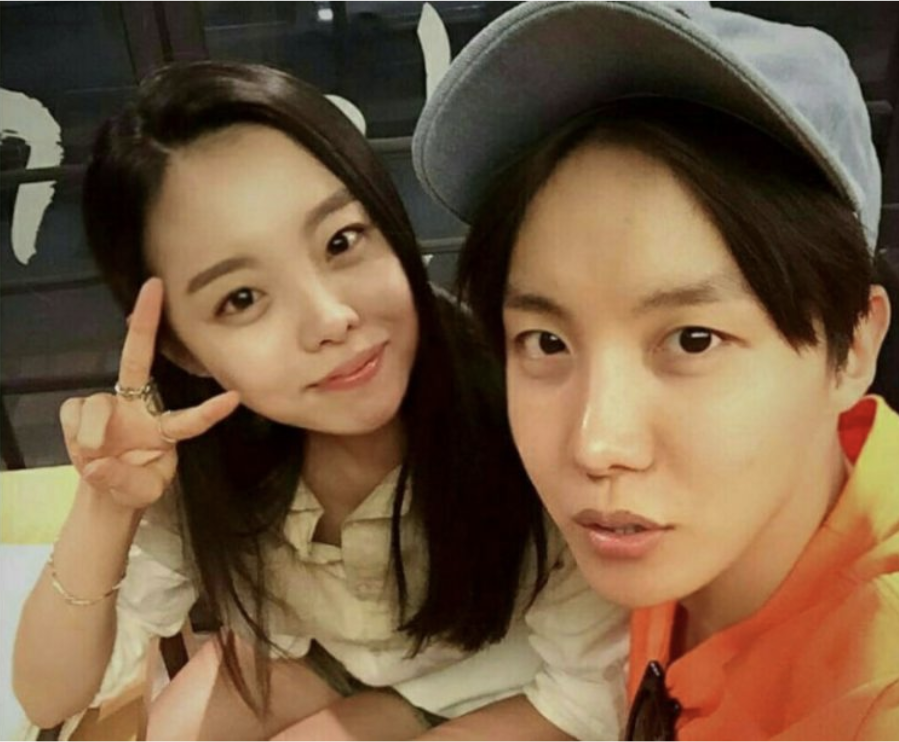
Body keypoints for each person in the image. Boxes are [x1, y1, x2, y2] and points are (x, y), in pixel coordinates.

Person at [13, 61, 627, 741]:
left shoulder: (524, 403)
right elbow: (50, 696)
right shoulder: (198, 444)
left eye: (341, 241)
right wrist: (107, 506)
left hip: (509, 675)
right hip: (331, 657)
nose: (331, 318)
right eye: (242, 298)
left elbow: (592, 698)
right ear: (185, 351)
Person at [412, 2, 899, 738]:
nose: (597, 445)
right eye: (547, 342)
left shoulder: (889, 694)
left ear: (851, 348)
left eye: (692, 339)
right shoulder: (686, 537)